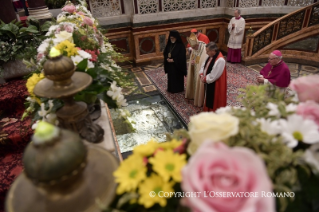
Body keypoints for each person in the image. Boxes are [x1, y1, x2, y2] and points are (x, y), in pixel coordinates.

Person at [199, 42, 227, 112]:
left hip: (216, 84)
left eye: (207, 51)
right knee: (208, 97)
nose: (206, 53)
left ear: (213, 51)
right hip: (209, 81)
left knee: (214, 100)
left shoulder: (220, 60)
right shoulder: (210, 56)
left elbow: (214, 75)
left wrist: (205, 79)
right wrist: (202, 73)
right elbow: (204, 65)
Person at [185, 32, 208, 107]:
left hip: (201, 70)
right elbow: (193, 56)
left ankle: (199, 98)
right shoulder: (194, 47)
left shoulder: (204, 48)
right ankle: (194, 95)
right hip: (195, 68)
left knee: (199, 82)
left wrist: (196, 62)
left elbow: (204, 62)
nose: (193, 49)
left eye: (194, 48)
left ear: (197, 44)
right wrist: (192, 62)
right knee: (194, 81)